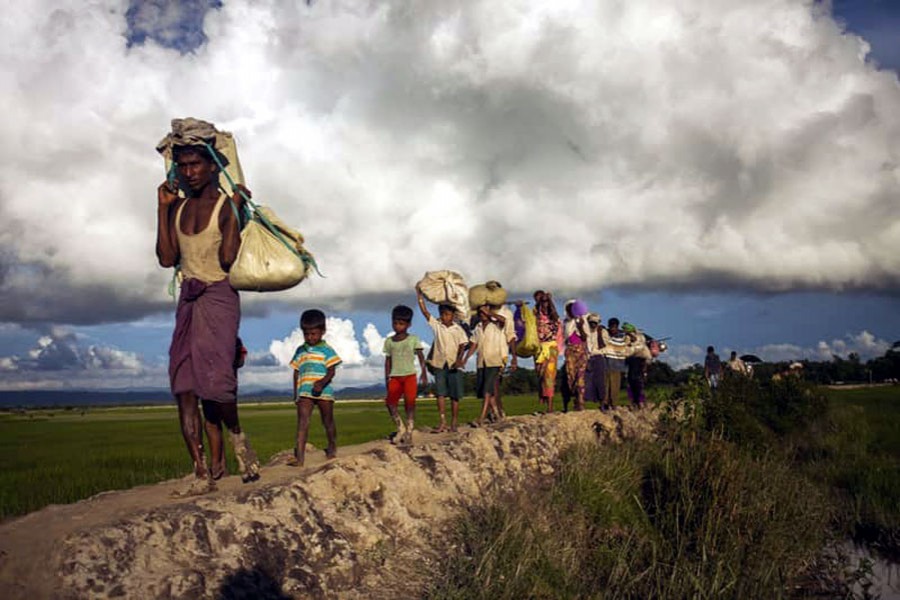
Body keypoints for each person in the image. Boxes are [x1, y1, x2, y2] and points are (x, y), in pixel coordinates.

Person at [156, 142, 260, 494]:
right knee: (184, 384)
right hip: (188, 299)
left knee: (217, 386)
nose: (188, 172)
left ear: (213, 167)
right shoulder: (178, 207)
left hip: (219, 298)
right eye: (183, 166)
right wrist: (162, 210)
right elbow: (166, 257)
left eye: (195, 164)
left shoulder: (225, 207)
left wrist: (236, 210)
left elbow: (229, 260)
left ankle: (238, 438)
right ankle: (200, 471)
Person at [288, 309, 341, 467]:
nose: (310, 337)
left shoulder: (327, 350)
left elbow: (332, 371)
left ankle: (332, 447)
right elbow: (296, 372)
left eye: (314, 334)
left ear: (322, 332)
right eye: (307, 334)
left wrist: (322, 383)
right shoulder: (300, 351)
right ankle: (300, 458)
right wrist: (296, 394)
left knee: (328, 421)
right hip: (304, 391)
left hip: (324, 391)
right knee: (303, 422)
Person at [416, 285, 469, 432]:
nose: (445, 317)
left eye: (448, 314)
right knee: (440, 393)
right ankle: (442, 421)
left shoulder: (458, 329)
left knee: (455, 395)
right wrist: (419, 296)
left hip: (454, 365)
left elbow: (463, 345)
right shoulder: (437, 326)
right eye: (443, 314)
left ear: (453, 315)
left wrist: (459, 360)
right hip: (439, 363)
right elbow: (425, 312)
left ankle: (454, 422)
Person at [463, 304, 515, 426]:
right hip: (482, 362)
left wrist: (489, 313)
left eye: (485, 313)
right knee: (487, 391)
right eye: (481, 313)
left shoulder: (496, 325)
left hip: (495, 361)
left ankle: (481, 418)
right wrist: (465, 359)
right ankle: (497, 414)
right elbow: (473, 345)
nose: (483, 315)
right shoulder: (478, 328)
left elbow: (504, 320)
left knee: (487, 389)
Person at [383, 305, 428, 445]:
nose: (397, 326)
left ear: (409, 324)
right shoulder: (389, 341)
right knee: (390, 403)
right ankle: (400, 427)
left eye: (401, 323)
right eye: (395, 323)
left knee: (410, 402)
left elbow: (421, 356)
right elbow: (388, 360)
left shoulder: (413, 339)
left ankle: (409, 429)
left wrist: (424, 373)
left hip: (409, 375)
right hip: (395, 376)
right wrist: (386, 377)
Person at [533, 290, 562, 413]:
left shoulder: (554, 316)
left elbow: (555, 317)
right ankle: (543, 395)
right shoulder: (536, 315)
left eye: (545, 301)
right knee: (540, 375)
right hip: (539, 348)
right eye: (541, 301)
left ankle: (550, 406)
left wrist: (549, 299)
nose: (544, 304)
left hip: (551, 348)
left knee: (549, 376)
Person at [563, 299, 590, 411]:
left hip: (581, 350)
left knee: (580, 376)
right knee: (571, 376)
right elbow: (566, 338)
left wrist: (580, 327)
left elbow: (584, 337)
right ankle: (576, 397)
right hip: (570, 350)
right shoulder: (566, 322)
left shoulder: (582, 321)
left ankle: (580, 401)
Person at [599, 318, 629, 408]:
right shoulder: (605, 333)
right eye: (611, 327)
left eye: (614, 327)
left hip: (617, 364)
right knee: (605, 385)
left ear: (617, 327)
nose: (613, 329)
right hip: (606, 363)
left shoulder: (622, 335)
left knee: (615, 385)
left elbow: (629, 340)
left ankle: (613, 404)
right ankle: (604, 403)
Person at [584, 313, 608, 410]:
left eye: (595, 323)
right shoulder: (585, 331)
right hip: (587, 357)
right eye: (591, 323)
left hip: (598, 356)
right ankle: (586, 403)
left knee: (600, 381)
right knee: (587, 381)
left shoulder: (603, 332)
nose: (593, 325)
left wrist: (599, 333)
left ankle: (602, 402)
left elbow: (603, 345)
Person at [623, 323, 650, 409]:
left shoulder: (639, 337)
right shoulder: (627, 337)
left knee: (638, 382)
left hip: (639, 361)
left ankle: (640, 401)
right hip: (632, 361)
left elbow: (637, 345)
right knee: (631, 382)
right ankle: (634, 401)